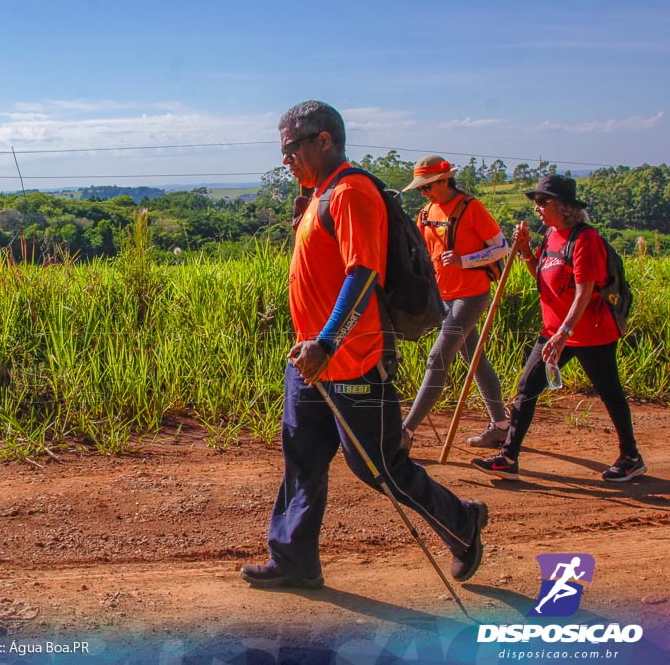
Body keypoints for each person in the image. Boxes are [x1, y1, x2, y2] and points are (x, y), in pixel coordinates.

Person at [240, 100, 487, 590]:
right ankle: (294, 560)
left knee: (379, 467)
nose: (285, 160)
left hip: (352, 360)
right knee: (303, 460)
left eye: (291, 148)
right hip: (311, 362)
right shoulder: (319, 194)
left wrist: (329, 342)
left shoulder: (351, 192)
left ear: (324, 140)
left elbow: (363, 272)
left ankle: (463, 523)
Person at [471, 174, 646, 482]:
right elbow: (542, 276)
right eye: (536, 202)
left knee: (609, 392)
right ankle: (509, 457)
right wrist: (525, 251)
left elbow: (585, 290)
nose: (537, 208)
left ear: (564, 207)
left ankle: (630, 456)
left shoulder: (586, 239)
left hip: (590, 333)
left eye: (542, 201)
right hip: (555, 332)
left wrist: (565, 332)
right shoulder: (552, 234)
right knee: (527, 387)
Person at [400, 156, 512, 450]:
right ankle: (501, 426)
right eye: (421, 190)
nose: (424, 194)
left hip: (471, 294)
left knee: (437, 358)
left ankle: (406, 432)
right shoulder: (426, 213)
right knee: (474, 360)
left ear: (444, 180)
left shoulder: (471, 208)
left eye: (428, 187)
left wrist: (465, 261)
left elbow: (502, 247)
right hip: (442, 296)